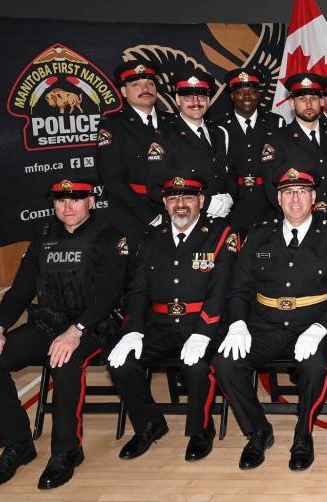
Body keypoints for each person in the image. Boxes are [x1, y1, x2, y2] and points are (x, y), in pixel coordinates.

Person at [0, 179, 127, 489]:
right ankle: (18, 445)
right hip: (49, 323)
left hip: (94, 326)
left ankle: (67, 451)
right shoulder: (44, 236)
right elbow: (20, 290)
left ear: (91, 202)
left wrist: (76, 331)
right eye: (60, 200)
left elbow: (108, 295)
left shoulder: (109, 236)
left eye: (76, 199)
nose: (67, 206)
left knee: (65, 363)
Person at [214, 167, 327, 471]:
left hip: (313, 324)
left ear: (313, 197)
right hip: (265, 325)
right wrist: (237, 324)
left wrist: (320, 328)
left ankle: (303, 435)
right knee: (224, 363)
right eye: (288, 192)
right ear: (278, 198)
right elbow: (240, 287)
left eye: (302, 191)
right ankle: (258, 431)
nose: (295, 199)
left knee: (314, 366)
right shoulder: (259, 234)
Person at [107, 176, 238, 463]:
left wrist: (203, 331)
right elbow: (138, 290)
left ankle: (201, 430)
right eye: (173, 199)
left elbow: (221, 291)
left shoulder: (220, 234)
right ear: (165, 204)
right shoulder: (151, 238)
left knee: (197, 365)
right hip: (161, 325)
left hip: (205, 323)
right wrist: (133, 330)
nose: (181, 205)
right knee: (121, 363)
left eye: (188, 198)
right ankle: (149, 424)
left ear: (201, 202)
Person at [95, 60, 174, 247]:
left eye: (150, 84)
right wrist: (150, 216)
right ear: (123, 91)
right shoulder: (112, 125)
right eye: (136, 84)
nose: (145, 88)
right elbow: (112, 179)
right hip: (132, 215)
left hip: (175, 210)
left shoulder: (173, 122)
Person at [147, 70, 235, 220]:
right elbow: (155, 188)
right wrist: (206, 202)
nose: (196, 102)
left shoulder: (220, 133)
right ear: (177, 99)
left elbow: (230, 173)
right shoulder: (164, 137)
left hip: (223, 218)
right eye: (188, 96)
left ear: (208, 100)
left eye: (201, 96)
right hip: (186, 221)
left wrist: (230, 197)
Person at [262, 73, 327, 225]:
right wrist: (295, 219)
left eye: (313, 98)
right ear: (292, 103)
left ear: (321, 101)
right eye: (302, 99)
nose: (308, 104)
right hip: (298, 222)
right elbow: (271, 187)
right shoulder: (277, 139)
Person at [212, 67, 287, 235]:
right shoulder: (218, 127)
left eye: (252, 91)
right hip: (233, 204)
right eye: (240, 92)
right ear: (231, 96)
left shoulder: (276, 123)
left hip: (269, 203)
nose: (247, 96)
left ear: (259, 95)